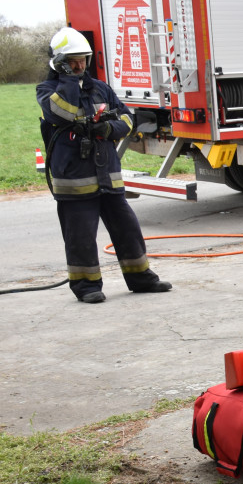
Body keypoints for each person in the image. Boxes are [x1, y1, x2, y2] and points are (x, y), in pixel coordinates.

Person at [36, 27, 171, 304]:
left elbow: (127, 119)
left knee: (128, 229)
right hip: (74, 180)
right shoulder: (47, 91)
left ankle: (141, 278)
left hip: (108, 175)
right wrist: (69, 80)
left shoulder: (101, 88)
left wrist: (109, 128)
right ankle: (86, 286)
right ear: (59, 63)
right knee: (81, 237)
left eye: (82, 60)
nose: (80, 66)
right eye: (72, 61)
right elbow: (62, 113)